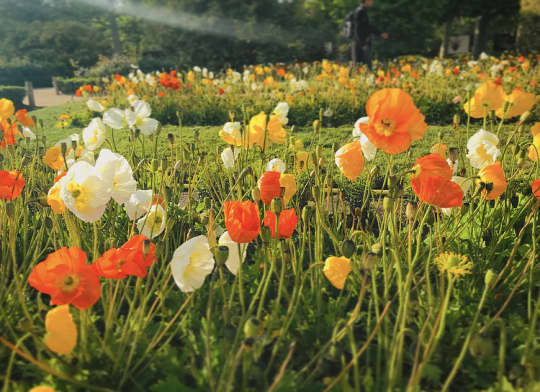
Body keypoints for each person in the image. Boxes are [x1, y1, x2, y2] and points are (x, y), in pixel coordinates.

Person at [347, 0, 388, 70]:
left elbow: (367, 26)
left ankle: (351, 77)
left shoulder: (361, 11)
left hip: (359, 41)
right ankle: (349, 78)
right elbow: (359, 28)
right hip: (361, 41)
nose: (372, 1)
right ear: (366, 1)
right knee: (361, 63)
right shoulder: (360, 11)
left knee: (358, 62)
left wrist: (379, 33)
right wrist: (362, 43)